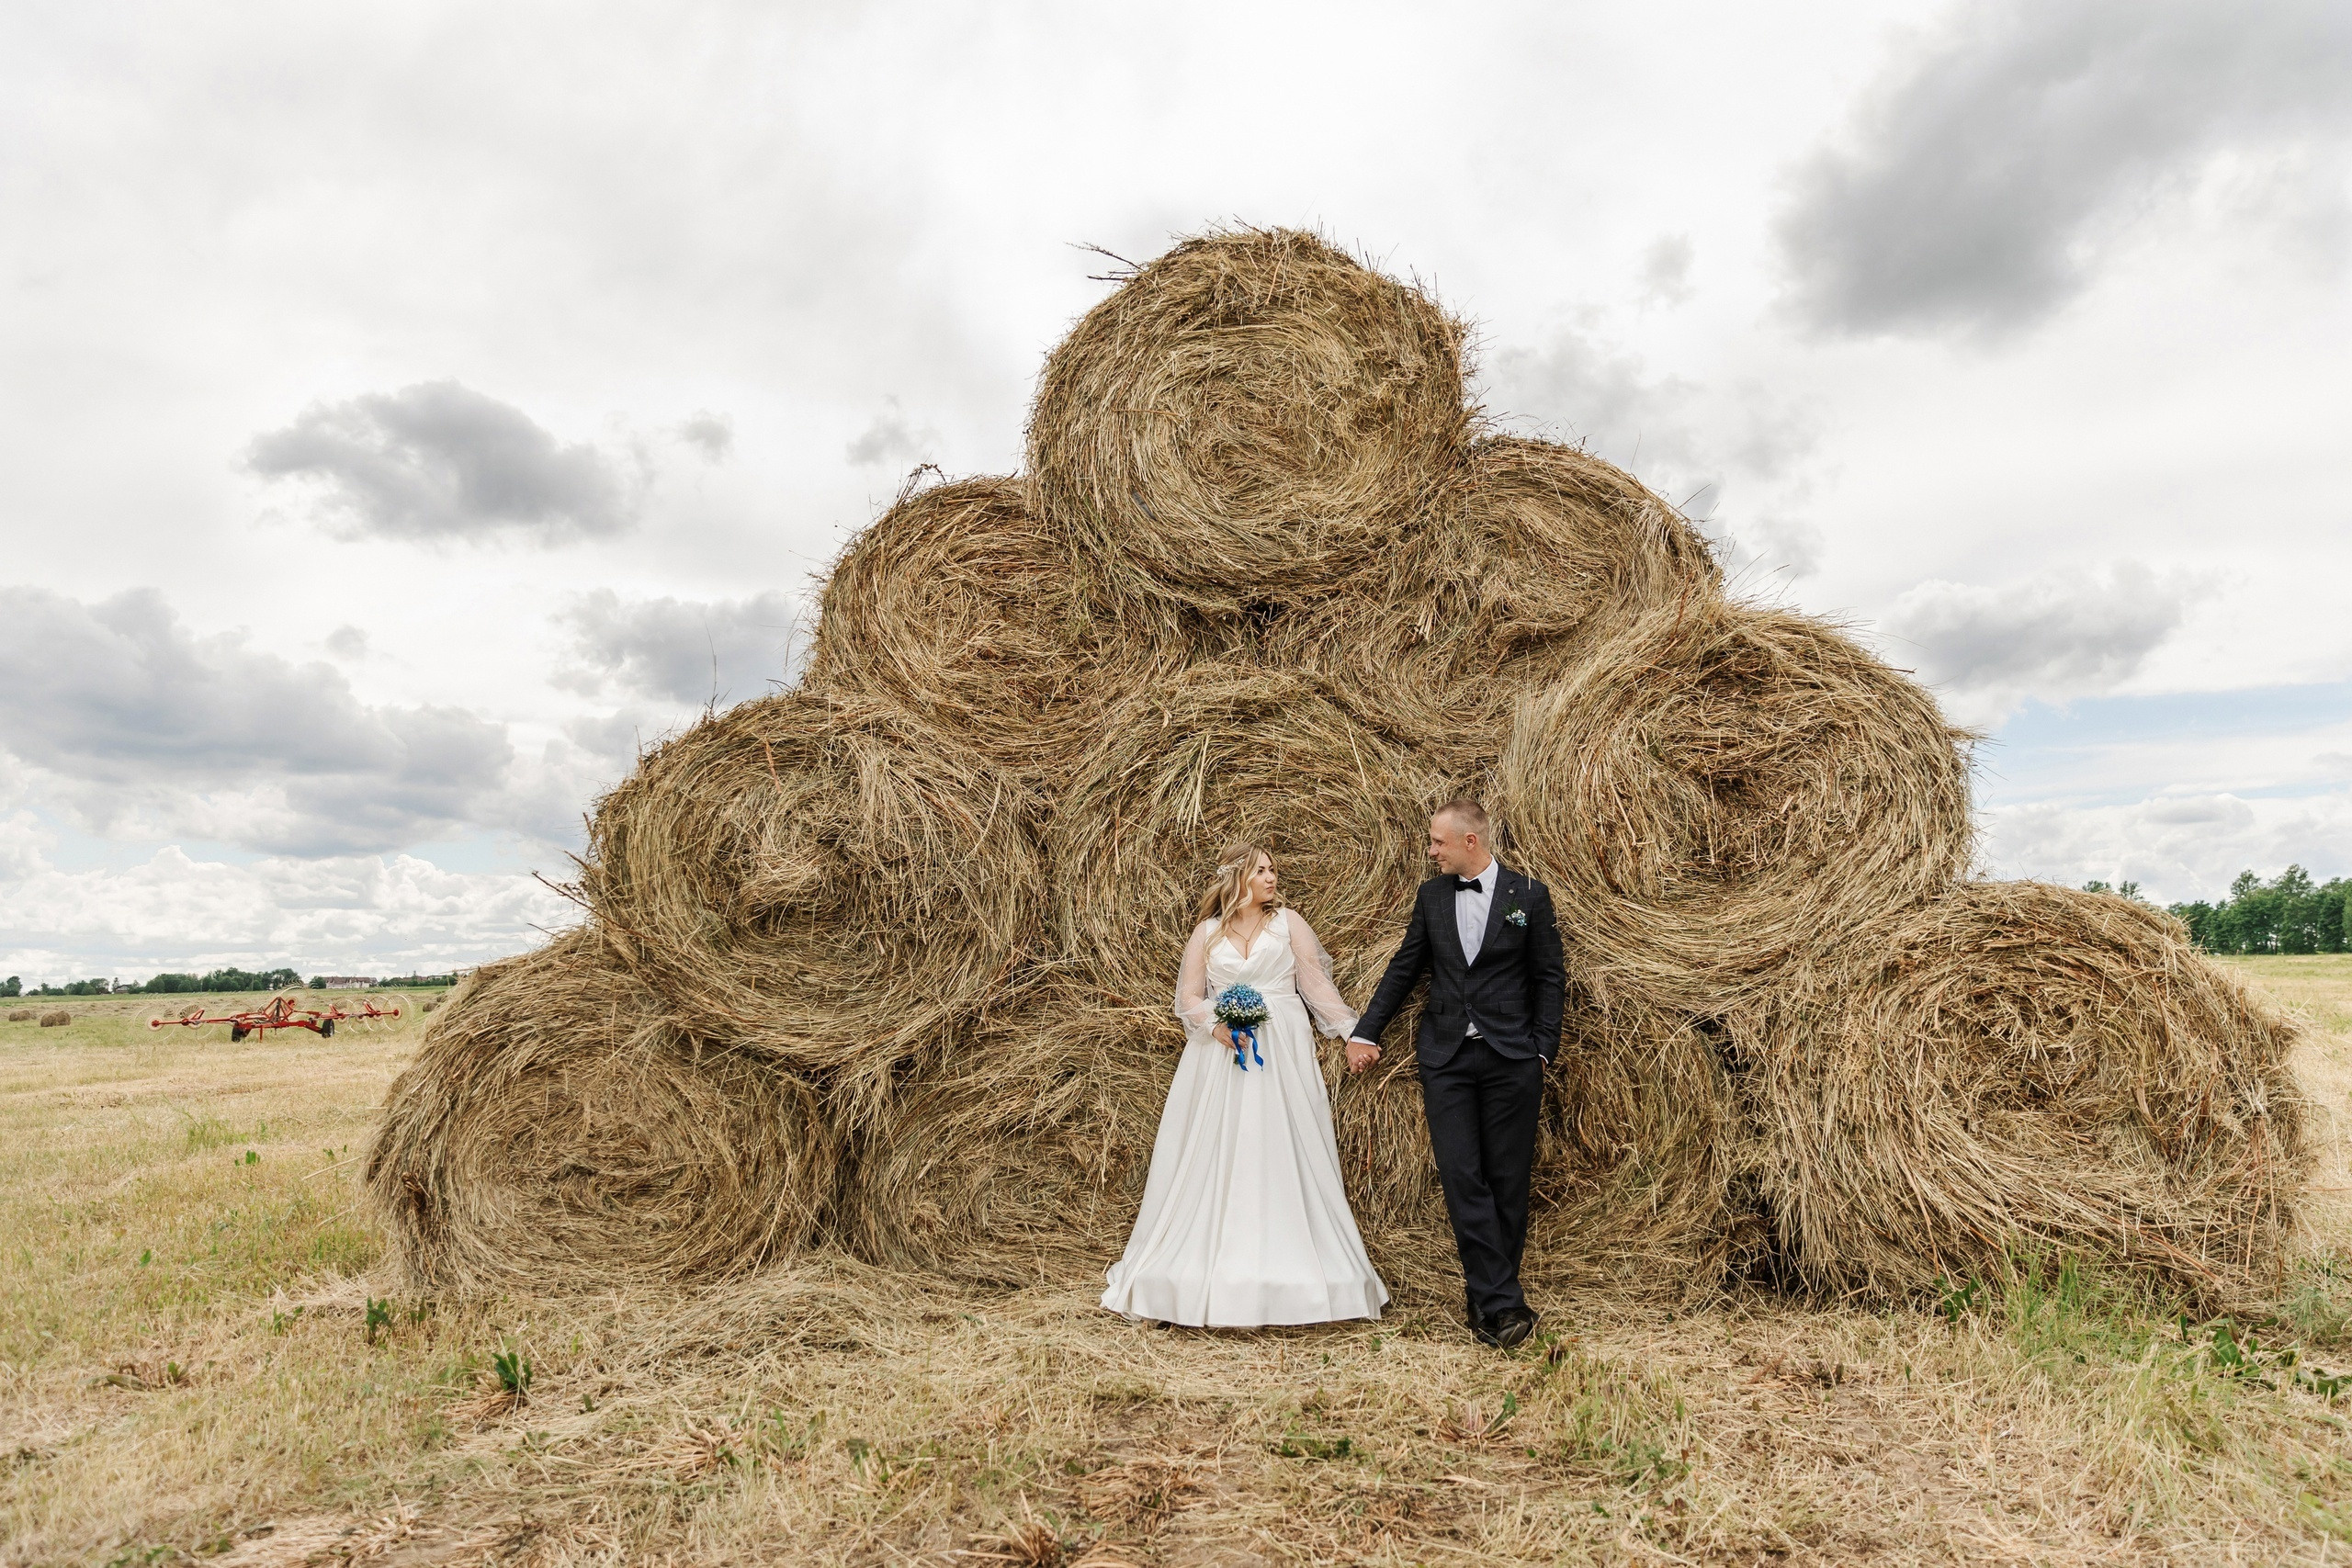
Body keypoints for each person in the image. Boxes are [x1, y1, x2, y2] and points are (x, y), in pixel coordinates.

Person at [1101, 844, 1388, 1327]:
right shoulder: (1207, 934)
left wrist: (1350, 1033)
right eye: (1261, 870)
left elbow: (1315, 984)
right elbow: (1189, 998)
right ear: (1238, 877)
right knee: (1215, 1149)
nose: (1272, 877)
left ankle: (1298, 1263)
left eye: (1273, 868)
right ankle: (1194, 1267)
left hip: (1282, 1049)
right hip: (1221, 1053)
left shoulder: (1289, 923)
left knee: (1282, 1147)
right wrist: (1215, 1026)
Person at [1346, 800, 1565, 1348]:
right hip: (1447, 1058)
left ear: (1471, 841)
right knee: (1463, 1176)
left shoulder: (1528, 895)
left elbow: (1549, 977)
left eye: (1438, 842)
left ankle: (1488, 1302)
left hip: (1513, 1057)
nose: (1431, 851)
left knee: (1508, 1182)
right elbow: (1406, 966)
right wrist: (1366, 1031)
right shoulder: (1431, 897)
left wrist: (1542, 1051)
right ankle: (1505, 1303)